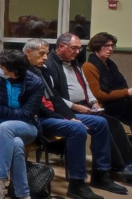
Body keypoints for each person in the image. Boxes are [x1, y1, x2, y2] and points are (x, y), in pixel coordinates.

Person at [25, 38, 128, 198]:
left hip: (55, 114)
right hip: (38, 119)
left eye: (46, 53)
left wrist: (70, 116)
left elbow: (56, 98)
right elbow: (38, 106)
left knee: (101, 122)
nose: (46, 57)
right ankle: (77, 183)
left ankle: (101, 174)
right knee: (77, 128)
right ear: (28, 53)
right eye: (42, 53)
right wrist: (68, 119)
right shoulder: (23, 73)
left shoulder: (43, 69)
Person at [47, 33, 132, 178]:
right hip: (67, 109)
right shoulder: (50, 65)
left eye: (79, 48)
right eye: (74, 48)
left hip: (86, 106)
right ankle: (116, 166)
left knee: (112, 122)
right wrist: (75, 106)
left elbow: (86, 87)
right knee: (105, 122)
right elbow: (53, 96)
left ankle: (117, 165)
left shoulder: (74, 63)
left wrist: (92, 102)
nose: (78, 52)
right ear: (61, 46)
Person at [0, 50, 43, 199]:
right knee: (16, 143)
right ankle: (23, 194)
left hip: (25, 126)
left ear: (14, 71)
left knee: (7, 127)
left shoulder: (35, 83)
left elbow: (26, 114)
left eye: (2, 67)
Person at [82, 32, 132, 178]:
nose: (110, 49)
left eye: (112, 45)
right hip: (103, 105)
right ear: (97, 47)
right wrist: (127, 92)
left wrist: (125, 93)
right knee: (115, 122)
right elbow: (99, 95)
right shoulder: (89, 66)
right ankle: (127, 162)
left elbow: (120, 86)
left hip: (117, 103)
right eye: (106, 46)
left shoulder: (110, 64)